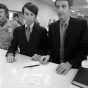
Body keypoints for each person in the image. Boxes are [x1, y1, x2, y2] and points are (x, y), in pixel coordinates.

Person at [48, 0, 88, 75]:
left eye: (63, 6)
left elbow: (84, 50)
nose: (60, 10)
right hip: (55, 68)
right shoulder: (52, 26)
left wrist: (70, 63)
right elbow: (50, 47)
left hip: (73, 69)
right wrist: (48, 55)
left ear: (69, 8)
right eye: (58, 7)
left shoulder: (81, 25)